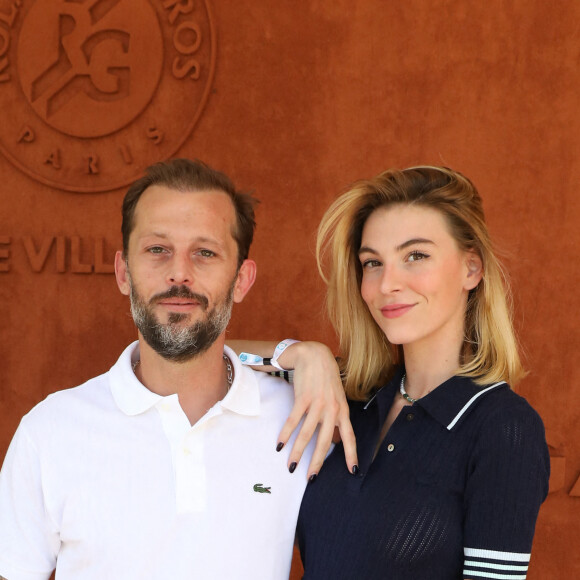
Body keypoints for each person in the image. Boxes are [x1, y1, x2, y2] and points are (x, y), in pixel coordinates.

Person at [0, 158, 355, 580]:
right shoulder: (50, 431)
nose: (179, 274)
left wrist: (307, 354)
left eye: (205, 252)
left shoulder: (300, 419)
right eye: (157, 250)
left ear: (242, 280)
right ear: (123, 273)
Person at [237, 166, 550, 580]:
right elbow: (200, 355)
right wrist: (303, 355)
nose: (387, 284)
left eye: (415, 256)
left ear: (471, 269)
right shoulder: (346, 396)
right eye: (372, 263)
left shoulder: (503, 428)